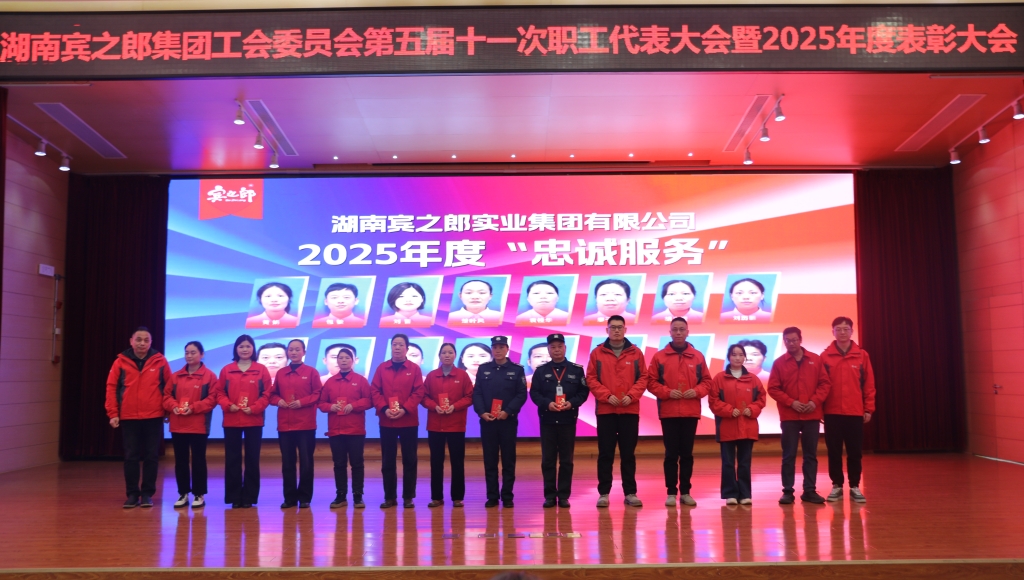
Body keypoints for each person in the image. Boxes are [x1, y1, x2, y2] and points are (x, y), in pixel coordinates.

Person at [105, 327, 174, 508]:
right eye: (138, 340)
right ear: (131, 341)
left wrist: (167, 411)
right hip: (129, 417)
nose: (142, 343)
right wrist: (113, 413)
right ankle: (132, 494)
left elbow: (169, 387)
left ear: (151, 342)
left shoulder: (160, 361)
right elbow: (111, 388)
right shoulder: (120, 362)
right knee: (131, 457)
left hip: (154, 416)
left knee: (151, 457)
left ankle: (147, 494)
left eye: (146, 340)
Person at [646, 317, 712, 507]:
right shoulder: (660, 357)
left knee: (687, 454)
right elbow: (651, 382)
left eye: (682, 329)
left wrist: (696, 391)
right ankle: (670, 492)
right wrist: (667, 392)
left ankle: (685, 492)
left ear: (687, 332)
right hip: (669, 412)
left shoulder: (697, 356)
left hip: (690, 412)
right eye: (675, 329)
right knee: (671, 455)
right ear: (670, 332)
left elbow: (707, 382)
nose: (678, 332)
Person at [585, 315, 647, 508]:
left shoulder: (636, 353)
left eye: (620, 327)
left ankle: (630, 493)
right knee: (606, 454)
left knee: (628, 454)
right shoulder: (597, 353)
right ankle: (603, 493)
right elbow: (591, 378)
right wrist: (606, 396)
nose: (617, 330)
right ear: (607, 330)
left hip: (629, 410)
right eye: (613, 327)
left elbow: (643, 378)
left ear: (625, 330)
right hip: (606, 411)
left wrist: (632, 395)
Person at [767, 326, 832, 505]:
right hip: (789, 416)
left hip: (812, 415)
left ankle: (809, 490)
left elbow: (825, 384)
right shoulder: (779, 363)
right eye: (788, 341)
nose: (791, 343)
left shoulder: (815, 359)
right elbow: (773, 388)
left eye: (794, 340)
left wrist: (814, 402)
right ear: (784, 342)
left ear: (801, 340)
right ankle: (788, 491)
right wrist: (791, 402)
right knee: (788, 455)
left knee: (810, 455)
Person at [820, 317, 876, 504]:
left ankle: (854, 485)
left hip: (855, 412)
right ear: (833, 332)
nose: (842, 332)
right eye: (838, 329)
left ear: (852, 331)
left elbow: (869, 385)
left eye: (846, 329)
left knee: (855, 451)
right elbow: (820, 386)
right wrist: (820, 409)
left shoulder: (862, 355)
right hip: (832, 412)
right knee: (834, 451)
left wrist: (868, 408)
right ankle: (836, 485)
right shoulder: (825, 356)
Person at [530, 334, 589, 508]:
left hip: (567, 419)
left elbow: (583, 392)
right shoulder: (541, 371)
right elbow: (534, 393)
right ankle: (549, 495)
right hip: (547, 420)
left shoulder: (576, 370)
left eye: (559, 347)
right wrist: (547, 404)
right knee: (548, 460)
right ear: (549, 350)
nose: (556, 350)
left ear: (565, 348)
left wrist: (572, 403)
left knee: (566, 460)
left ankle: (563, 496)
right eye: (553, 347)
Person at [215, 334, 272, 509]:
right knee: (232, 459)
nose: (245, 349)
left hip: (253, 419)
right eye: (241, 346)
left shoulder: (261, 369)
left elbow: (267, 394)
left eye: (248, 346)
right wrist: (228, 405)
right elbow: (219, 393)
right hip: (232, 419)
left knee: (252, 459)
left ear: (253, 349)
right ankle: (234, 496)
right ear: (236, 349)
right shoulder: (227, 370)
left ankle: (249, 497)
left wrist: (255, 408)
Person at [472, 336, 528, 508]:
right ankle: (492, 496)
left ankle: (507, 496)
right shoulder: (483, 369)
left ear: (507, 349)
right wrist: (482, 412)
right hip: (488, 422)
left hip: (507, 422)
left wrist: (508, 411)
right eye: (495, 347)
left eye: (501, 347)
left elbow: (521, 394)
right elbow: (477, 393)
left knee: (508, 460)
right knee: (490, 460)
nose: (498, 350)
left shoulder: (517, 370)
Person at [370, 334, 425, 508]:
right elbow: (375, 391)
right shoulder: (382, 368)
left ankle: (408, 497)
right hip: (387, 421)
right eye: (395, 344)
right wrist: (384, 408)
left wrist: (405, 409)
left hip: (408, 420)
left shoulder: (414, 369)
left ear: (407, 348)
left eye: (401, 344)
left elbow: (418, 392)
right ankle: (390, 497)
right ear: (391, 347)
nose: (397, 347)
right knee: (388, 461)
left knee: (410, 460)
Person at [708, 344, 766, 506]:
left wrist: (752, 409)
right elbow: (713, 401)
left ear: (744, 358)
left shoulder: (753, 379)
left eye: (740, 355)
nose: (737, 358)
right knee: (728, 463)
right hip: (726, 427)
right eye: (734, 355)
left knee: (744, 462)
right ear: (729, 357)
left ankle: (745, 494)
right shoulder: (719, 378)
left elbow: (761, 399)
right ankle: (730, 494)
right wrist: (728, 410)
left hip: (747, 427)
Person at [162, 340, 217, 509]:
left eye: (193, 352)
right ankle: (183, 493)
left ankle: (199, 494)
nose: (189, 356)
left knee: (199, 460)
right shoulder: (176, 376)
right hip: (178, 425)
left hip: (199, 425)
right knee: (181, 461)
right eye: (187, 352)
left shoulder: (209, 376)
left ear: (202, 354)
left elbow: (212, 399)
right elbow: (166, 396)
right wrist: (173, 406)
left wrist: (193, 408)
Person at [269, 339, 324, 509]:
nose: (293, 352)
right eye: (291, 349)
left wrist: (302, 402)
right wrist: (278, 401)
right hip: (285, 425)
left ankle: (305, 497)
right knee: (287, 463)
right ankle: (289, 498)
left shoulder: (311, 372)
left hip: (306, 424)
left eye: (297, 349)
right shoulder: (281, 373)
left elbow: (318, 394)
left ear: (304, 352)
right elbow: (272, 395)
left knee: (306, 463)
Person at [422, 343, 475, 508]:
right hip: (435, 425)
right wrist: (434, 406)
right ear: (439, 356)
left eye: (450, 352)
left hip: (456, 425)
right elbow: (423, 397)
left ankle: (457, 497)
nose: (447, 355)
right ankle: (436, 497)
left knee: (457, 462)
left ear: (455, 356)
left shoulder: (462, 375)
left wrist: (455, 406)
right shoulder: (431, 376)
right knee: (436, 462)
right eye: (444, 352)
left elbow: (470, 396)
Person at [319, 347, 372, 509]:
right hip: (336, 430)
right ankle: (341, 495)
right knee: (339, 464)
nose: (343, 360)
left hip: (355, 430)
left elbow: (369, 401)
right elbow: (321, 403)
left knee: (357, 464)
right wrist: (331, 407)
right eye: (340, 358)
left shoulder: (361, 380)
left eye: (347, 358)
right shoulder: (330, 382)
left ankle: (358, 496)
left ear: (353, 361)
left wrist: (354, 405)